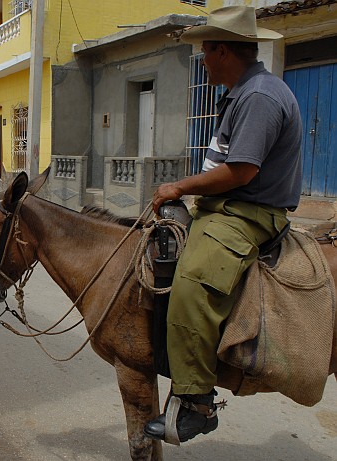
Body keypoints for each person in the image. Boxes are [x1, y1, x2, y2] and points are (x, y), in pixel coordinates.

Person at [144, 6, 302, 443]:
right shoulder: (240, 90)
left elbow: (241, 171)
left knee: (192, 283)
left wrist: (178, 187)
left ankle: (196, 403)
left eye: (205, 52)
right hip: (224, 207)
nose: (203, 61)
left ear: (223, 51)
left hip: (247, 213)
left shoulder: (259, 97)